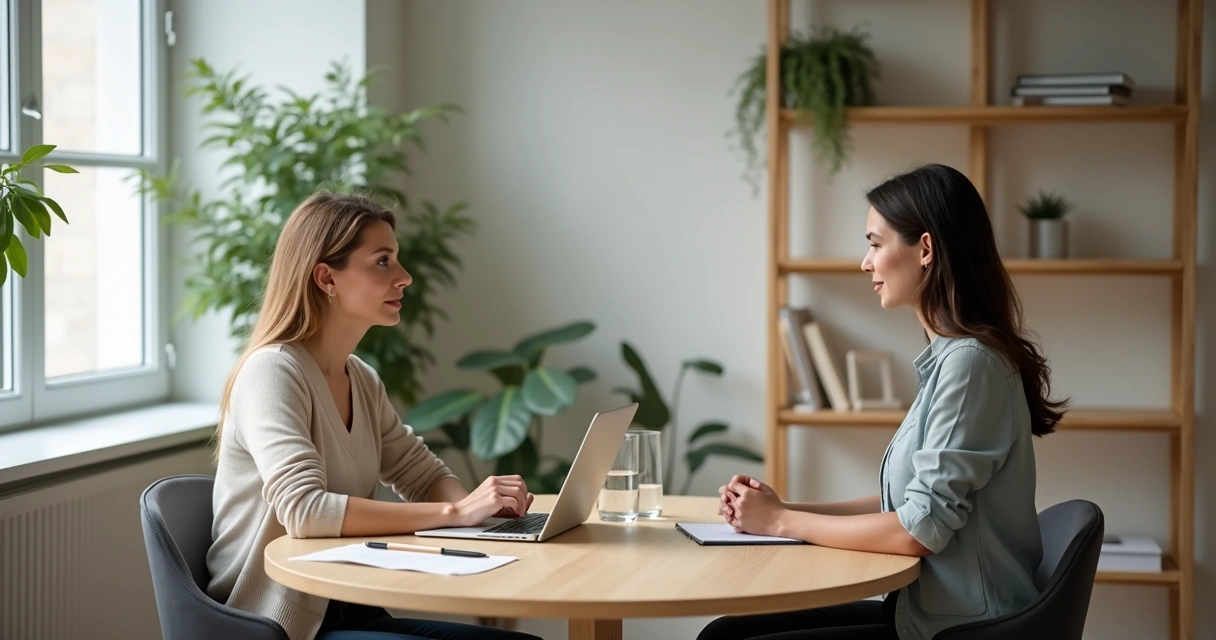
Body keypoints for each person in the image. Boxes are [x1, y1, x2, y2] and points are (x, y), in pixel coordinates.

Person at [699, 163, 1068, 640]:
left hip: (962, 627)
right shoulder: (952, 361)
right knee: (727, 634)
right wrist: (780, 509)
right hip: (926, 611)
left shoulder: (970, 365)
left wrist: (783, 521)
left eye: (875, 243)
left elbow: (918, 531)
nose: (865, 262)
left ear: (926, 249)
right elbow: (904, 505)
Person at [205, 191, 543, 640]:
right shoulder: (271, 372)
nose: (404, 277)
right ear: (326, 277)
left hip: (348, 606)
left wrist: (481, 520)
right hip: (282, 622)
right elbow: (304, 511)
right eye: (383, 261)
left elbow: (421, 474)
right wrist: (455, 511)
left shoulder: (361, 378)